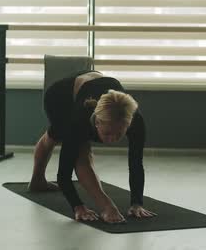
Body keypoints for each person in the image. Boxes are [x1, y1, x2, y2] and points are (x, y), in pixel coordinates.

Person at [28, 70, 156, 223]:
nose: (112, 139)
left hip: (91, 85)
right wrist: (78, 206)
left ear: (127, 125)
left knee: (68, 137)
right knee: (71, 145)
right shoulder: (81, 119)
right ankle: (106, 206)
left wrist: (137, 203)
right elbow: (63, 174)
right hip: (61, 95)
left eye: (119, 133)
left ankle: (37, 182)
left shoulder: (135, 121)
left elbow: (136, 163)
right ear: (97, 123)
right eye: (108, 133)